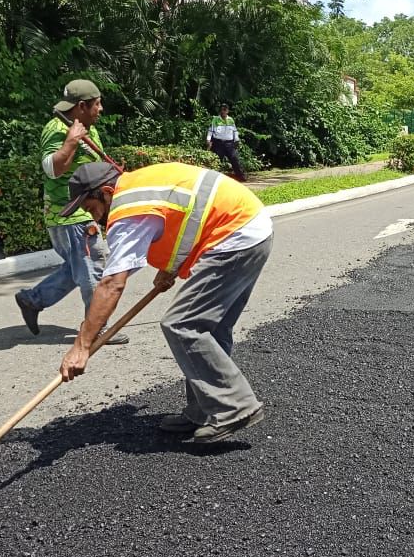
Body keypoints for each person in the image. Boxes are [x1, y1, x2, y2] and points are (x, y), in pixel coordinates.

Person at [57, 160, 272, 444]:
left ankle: (234, 406)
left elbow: (111, 284)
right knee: (211, 328)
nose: (95, 219)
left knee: (182, 324)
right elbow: (187, 217)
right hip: (250, 230)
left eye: (91, 209)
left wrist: (82, 346)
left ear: (106, 192)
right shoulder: (139, 186)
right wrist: (171, 266)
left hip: (235, 238)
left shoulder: (128, 210)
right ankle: (205, 409)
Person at [14, 80, 128, 345]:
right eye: (97, 103)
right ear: (81, 106)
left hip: (84, 212)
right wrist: (70, 143)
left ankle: (32, 300)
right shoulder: (56, 129)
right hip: (70, 215)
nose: (101, 108)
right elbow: (51, 169)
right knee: (92, 267)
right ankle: (97, 328)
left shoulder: (90, 128)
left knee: (78, 268)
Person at [207, 103, 246, 181]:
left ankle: (240, 177)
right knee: (217, 161)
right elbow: (210, 130)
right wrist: (208, 140)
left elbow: (235, 131)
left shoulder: (230, 120)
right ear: (220, 111)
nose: (223, 111)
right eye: (222, 110)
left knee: (234, 158)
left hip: (229, 143)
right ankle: (212, 179)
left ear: (227, 111)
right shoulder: (215, 119)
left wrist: (237, 140)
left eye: (225, 110)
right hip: (218, 143)